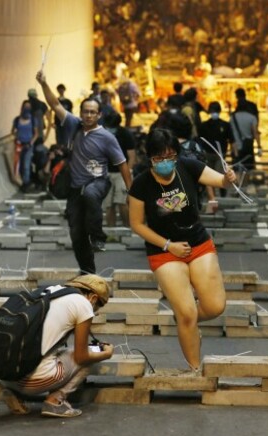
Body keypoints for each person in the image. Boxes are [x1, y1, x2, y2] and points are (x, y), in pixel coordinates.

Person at [128, 128, 236, 372]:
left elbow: (220, 181)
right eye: (159, 159)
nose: (165, 163)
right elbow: (136, 224)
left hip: (197, 242)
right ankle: (194, 370)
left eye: (169, 157)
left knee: (215, 306)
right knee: (187, 313)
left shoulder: (188, 166)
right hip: (164, 250)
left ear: (176, 155)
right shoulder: (141, 183)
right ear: (150, 158)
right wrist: (168, 245)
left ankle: (186, 321)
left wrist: (228, 179)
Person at [37, 71, 132, 274]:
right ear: (81, 113)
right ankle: (87, 270)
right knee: (76, 233)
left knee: (89, 194)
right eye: (85, 112)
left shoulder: (107, 137)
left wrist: (130, 191)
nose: (88, 115)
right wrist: (44, 83)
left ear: (99, 115)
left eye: (92, 112)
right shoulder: (73, 124)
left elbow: (123, 163)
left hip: (99, 183)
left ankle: (98, 236)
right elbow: (55, 105)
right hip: (75, 188)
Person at [0, 274, 114, 418]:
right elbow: (81, 357)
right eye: (97, 308)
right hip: (36, 381)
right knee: (90, 355)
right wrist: (106, 354)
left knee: (54, 351)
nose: (95, 313)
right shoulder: (83, 304)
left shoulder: (49, 291)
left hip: (5, 374)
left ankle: (13, 392)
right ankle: (55, 401)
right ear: (93, 298)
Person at [102, 112, 136, 227]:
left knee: (122, 202)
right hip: (106, 173)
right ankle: (112, 232)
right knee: (108, 204)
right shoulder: (102, 134)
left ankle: (127, 228)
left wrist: (128, 172)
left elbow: (131, 156)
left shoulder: (125, 134)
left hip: (122, 172)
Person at [198, 101, 233, 196]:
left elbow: (231, 140)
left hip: (219, 155)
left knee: (220, 174)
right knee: (210, 176)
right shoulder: (204, 125)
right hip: (208, 154)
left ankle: (221, 195)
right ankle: (213, 196)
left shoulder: (225, 125)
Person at [11, 100, 39, 192]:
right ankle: (23, 181)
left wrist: (30, 143)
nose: (27, 109)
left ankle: (26, 183)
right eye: (25, 106)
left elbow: (36, 134)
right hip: (19, 146)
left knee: (26, 165)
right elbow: (13, 131)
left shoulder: (33, 120)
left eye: (28, 107)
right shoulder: (17, 120)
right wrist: (17, 138)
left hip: (28, 146)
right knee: (20, 165)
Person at [230, 100, 261, 171]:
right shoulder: (252, 117)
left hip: (236, 148)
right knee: (248, 169)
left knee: (236, 169)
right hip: (248, 147)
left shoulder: (233, 117)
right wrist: (259, 146)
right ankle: (247, 181)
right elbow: (255, 132)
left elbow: (230, 133)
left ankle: (238, 182)